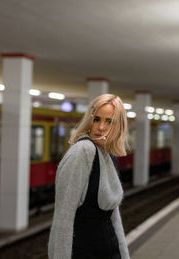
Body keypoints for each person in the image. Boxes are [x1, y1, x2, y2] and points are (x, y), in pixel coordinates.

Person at [48, 94, 130, 259]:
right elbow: (63, 217)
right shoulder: (83, 151)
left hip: (110, 250)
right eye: (97, 119)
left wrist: (124, 254)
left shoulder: (108, 155)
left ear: (119, 126)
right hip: (84, 252)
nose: (101, 127)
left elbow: (114, 217)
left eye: (109, 121)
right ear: (90, 121)